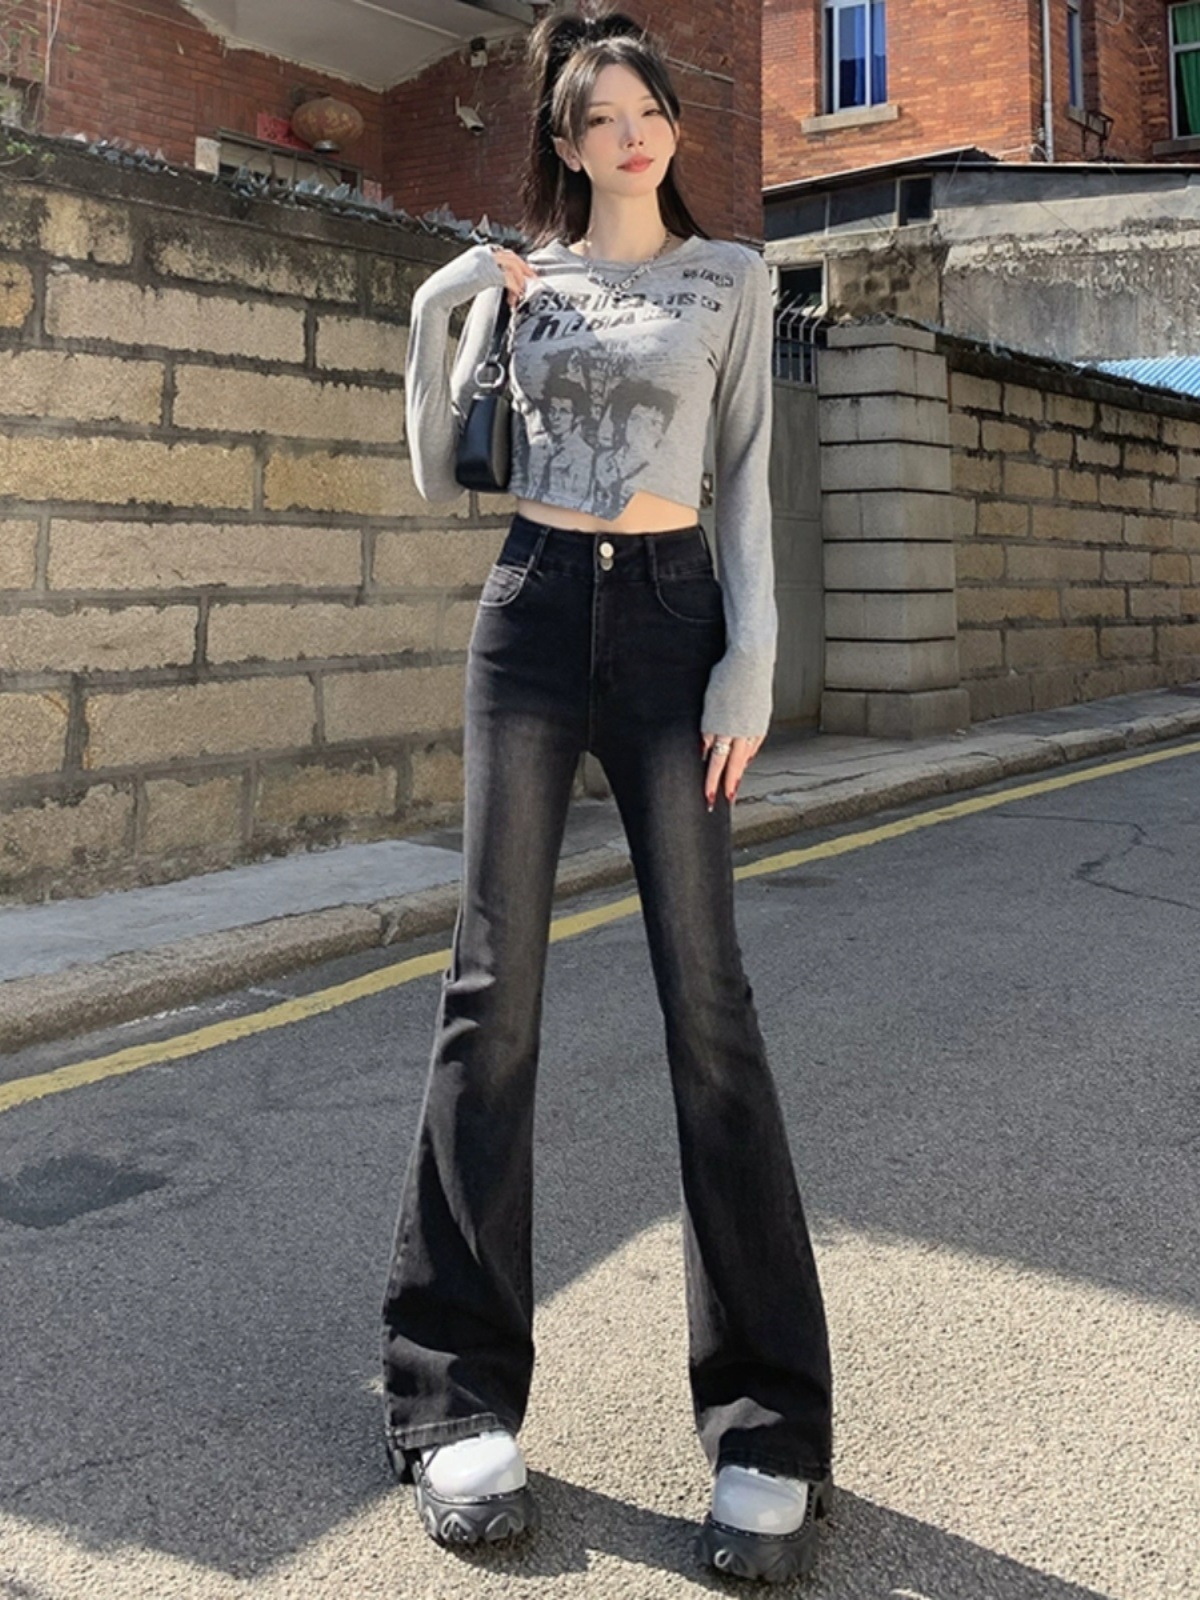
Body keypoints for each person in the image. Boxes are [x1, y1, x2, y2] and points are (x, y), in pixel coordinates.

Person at [382, 5, 834, 1583]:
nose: (631, 134)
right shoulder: (529, 282)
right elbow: (441, 471)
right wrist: (447, 301)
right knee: (488, 992)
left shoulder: (732, 278)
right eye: (600, 117)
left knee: (708, 1004)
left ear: (673, 131)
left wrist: (752, 657)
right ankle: (450, 1395)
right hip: (527, 616)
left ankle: (768, 1424)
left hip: (671, 619)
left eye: (649, 110)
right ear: (566, 145)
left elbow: (748, 476)